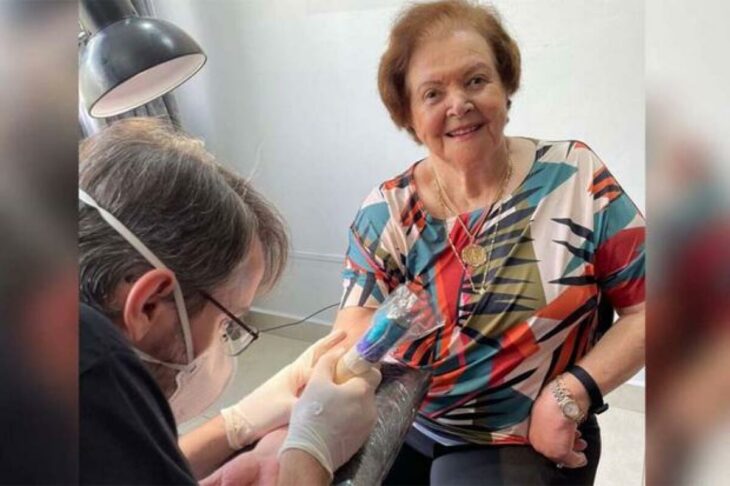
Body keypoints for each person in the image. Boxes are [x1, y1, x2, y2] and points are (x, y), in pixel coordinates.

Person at [332, 1, 645, 484]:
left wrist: (570, 394)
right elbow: (352, 339)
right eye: (432, 93)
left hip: (528, 431)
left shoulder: (574, 179)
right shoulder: (387, 211)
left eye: (475, 81)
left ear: (505, 87)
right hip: (408, 419)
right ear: (410, 115)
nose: (458, 104)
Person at [79, 117, 381, 486]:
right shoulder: (86, 381)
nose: (225, 338)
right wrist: (310, 455)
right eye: (227, 322)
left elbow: (128, 466)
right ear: (148, 305)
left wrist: (238, 423)